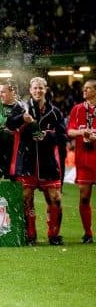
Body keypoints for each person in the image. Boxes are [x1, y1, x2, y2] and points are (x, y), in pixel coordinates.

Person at [14, 77, 67, 246]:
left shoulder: (55, 112)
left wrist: (48, 135)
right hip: (27, 161)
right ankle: (30, 234)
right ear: (30, 90)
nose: (38, 91)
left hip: (47, 163)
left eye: (41, 88)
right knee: (26, 198)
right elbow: (9, 124)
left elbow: (62, 136)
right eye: (35, 88)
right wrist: (23, 118)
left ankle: (54, 235)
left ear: (46, 89)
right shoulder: (22, 108)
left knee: (55, 198)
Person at [66, 79, 96, 244]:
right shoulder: (77, 109)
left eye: (88, 88)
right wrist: (81, 132)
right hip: (84, 159)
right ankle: (88, 233)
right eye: (84, 88)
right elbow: (69, 131)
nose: (84, 91)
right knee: (84, 197)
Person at [0, 79, 26, 181]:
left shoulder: (21, 106)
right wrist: (16, 120)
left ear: (13, 92)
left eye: (3, 92)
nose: (0, 95)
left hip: (13, 147)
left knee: (16, 181)